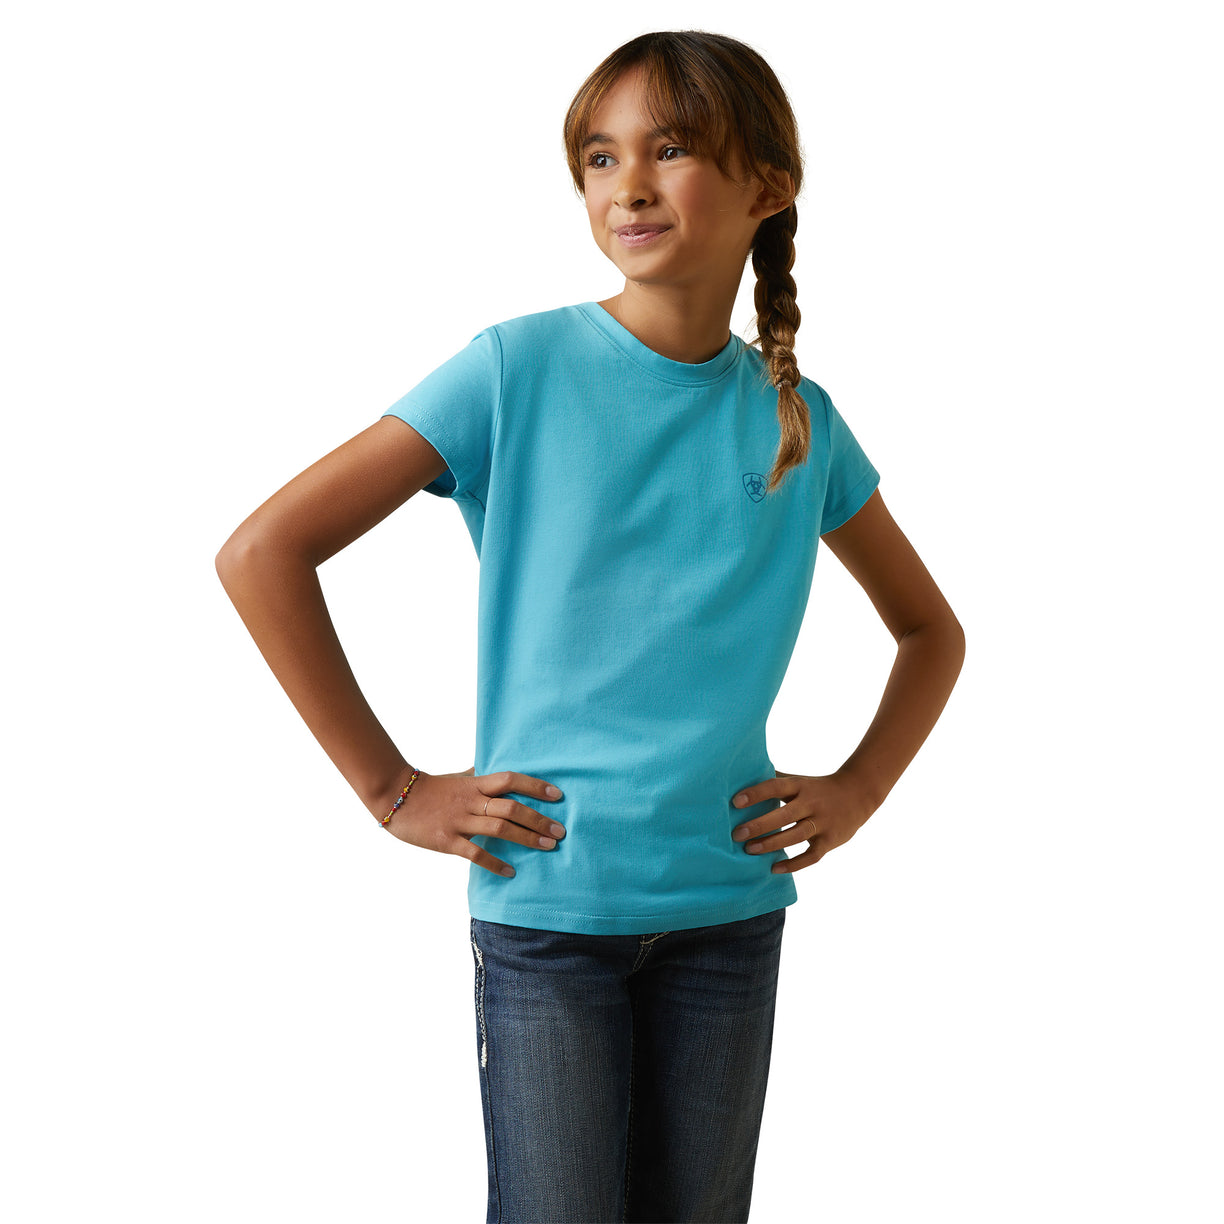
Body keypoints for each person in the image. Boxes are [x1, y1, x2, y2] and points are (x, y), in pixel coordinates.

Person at [216, 29, 965, 1224]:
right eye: (600, 158)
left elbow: (930, 631)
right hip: (549, 914)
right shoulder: (514, 370)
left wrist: (861, 788)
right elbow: (263, 553)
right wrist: (393, 791)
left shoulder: (802, 423)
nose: (629, 185)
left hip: (729, 912)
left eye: (671, 150)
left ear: (769, 187)